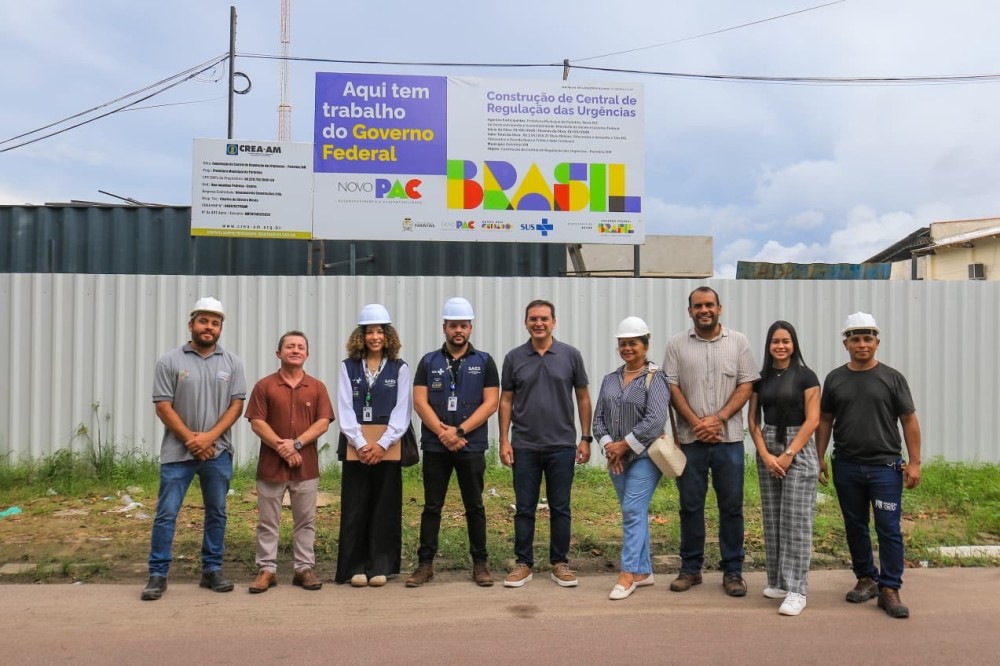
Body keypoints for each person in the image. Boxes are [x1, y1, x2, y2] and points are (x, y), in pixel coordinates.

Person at [816, 312, 922, 619]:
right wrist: (819, 457)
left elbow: (909, 419)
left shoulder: (892, 378)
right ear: (846, 344)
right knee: (855, 526)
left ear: (877, 342)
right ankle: (866, 578)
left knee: (888, 528)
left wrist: (914, 462)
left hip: (885, 468)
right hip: (846, 466)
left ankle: (889, 588)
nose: (862, 344)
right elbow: (825, 420)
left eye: (867, 338)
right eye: (855, 339)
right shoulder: (835, 379)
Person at [142, 296, 246, 601]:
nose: (209, 327)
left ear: (220, 328)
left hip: (217, 452)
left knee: (217, 512)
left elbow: (236, 405)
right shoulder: (170, 361)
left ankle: (212, 570)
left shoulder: (232, 363)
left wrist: (209, 438)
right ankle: (158, 574)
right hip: (178, 454)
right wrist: (192, 440)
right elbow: (163, 406)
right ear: (191, 325)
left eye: (215, 323)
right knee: (166, 513)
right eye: (203, 321)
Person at [663, 286, 758, 597]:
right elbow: (672, 387)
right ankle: (691, 569)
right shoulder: (676, 344)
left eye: (709, 305)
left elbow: (747, 384)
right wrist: (696, 423)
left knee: (731, 507)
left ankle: (733, 572)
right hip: (691, 441)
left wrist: (717, 419)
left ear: (719, 308)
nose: (704, 310)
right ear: (690, 311)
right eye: (698, 306)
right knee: (690, 507)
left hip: (728, 441)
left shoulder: (739, 342)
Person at [405, 297, 500, 588]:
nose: (458, 330)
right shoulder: (429, 361)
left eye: (463, 325)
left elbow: (491, 403)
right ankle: (425, 565)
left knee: (475, 505)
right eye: (453, 325)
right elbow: (420, 402)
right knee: (432, 506)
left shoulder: (484, 361)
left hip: (471, 445)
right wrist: (442, 433)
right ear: (444, 327)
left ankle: (480, 564)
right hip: (436, 446)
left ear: (470, 328)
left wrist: (459, 432)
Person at [499, 299, 592, 588]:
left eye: (544, 318)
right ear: (526, 323)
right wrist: (504, 440)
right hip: (524, 446)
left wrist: (585, 438)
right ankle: (523, 564)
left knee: (560, 507)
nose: (538, 323)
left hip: (561, 445)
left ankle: (559, 563)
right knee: (524, 508)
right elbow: (506, 400)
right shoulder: (514, 358)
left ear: (554, 322)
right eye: (533, 319)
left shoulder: (570, 355)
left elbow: (583, 397)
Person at [245, 331, 335, 593]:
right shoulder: (264, 386)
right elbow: (257, 422)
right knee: (267, 521)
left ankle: (303, 569)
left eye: (300, 347)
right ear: (278, 353)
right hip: (270, 468)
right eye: (290, 347)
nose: (295, 350)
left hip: (306, 467)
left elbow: (323, 423)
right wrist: (281, 447)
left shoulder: (317, 387)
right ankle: (267, 570)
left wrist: (295, 444)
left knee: (305, 521)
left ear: (307, 354)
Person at [593, 316, 671, 601]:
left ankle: (627, 575)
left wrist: (624, 446)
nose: (627, 348)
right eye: (623, 343)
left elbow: (655, 419)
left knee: (632, 511)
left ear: (645, 346)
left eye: (633, 343)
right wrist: (610, 447)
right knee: (634, 512)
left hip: (646, 457)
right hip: (616, 458)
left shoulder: (656, 377)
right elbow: (598, 420)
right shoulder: (610, 380)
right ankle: (644, 571)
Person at [335, 304, 412, 587]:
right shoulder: (348, 367)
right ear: (361, 336)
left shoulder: (400, 368)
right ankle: (354, 567)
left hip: (387, 448)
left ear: (388, 335)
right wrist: (360, 443)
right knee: (355, 508)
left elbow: (403, 410)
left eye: (380, 331)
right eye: (370, 332)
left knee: (385, 507)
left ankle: (381, 565)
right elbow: (344, 407)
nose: (375, 337)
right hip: (356, 447)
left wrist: (382, 444)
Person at [747, 320, 820, 616]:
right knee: (773, 518)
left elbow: (813, 420)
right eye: (775, 341)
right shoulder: (760, 378)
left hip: (797, 448)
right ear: (768, 346)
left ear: (794, 344)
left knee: (796, 520)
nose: (780, 346)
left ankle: (797, 590)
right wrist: (765, 454)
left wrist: (789, 453)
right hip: (768, 446)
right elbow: (753, 420)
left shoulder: (806, 376)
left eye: (785, 341)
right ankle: (778, 582)